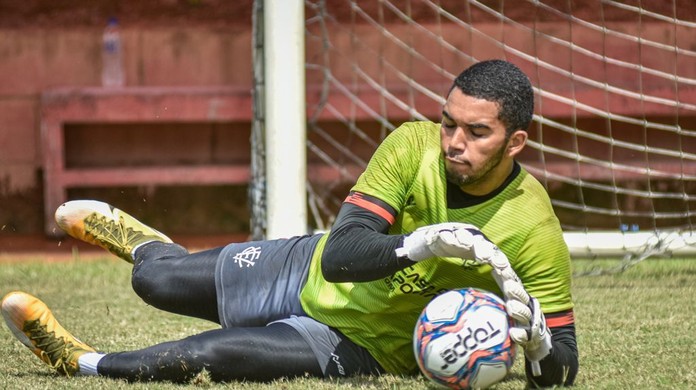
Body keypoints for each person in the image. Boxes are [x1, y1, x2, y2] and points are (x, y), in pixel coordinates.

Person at [2, 59, 578, 387]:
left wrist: (540, 345)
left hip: (356, 344)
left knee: (207, 357)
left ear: (515, 141)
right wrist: (421, 243)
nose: (454, 143)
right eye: (449, 123)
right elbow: (341, 255)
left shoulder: (531, 228)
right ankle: (149, 248)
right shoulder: (411, 146)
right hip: (306, 267)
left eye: (476, 134)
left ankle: (76, 359)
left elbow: (564, 367)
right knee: (154, 284)